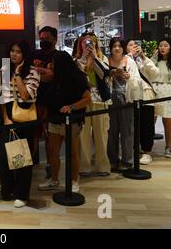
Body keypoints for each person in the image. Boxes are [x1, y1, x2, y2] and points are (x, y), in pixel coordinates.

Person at [38, 51, 91, 193]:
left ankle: (74, 181)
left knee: (73, 152)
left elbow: (87, 99)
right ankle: (54, 180)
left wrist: (72, 107)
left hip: (72, 121)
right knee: (52, 152)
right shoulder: (56, 78)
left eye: (54, 62)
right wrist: (45, 117)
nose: (52, 65)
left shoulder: (78, 78)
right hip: (54, 120)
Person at [0, 40, 40, 208]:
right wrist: (6, 118)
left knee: (22, 159)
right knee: (3, 156)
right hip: (8, 117)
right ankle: (7, 190)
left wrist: (18, 75)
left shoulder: (33, 72)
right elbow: (1, 97)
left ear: (25, 54)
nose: (14, 54)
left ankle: (22, 194)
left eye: (18, 51)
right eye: (12, 50)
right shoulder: (3, 70)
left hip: (25, 118)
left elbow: (26, 95)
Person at [75, 33, 111, 176]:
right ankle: (84, 167)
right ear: (80, 45)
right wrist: (84, 57)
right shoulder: (77, 60)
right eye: (84, 43)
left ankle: (102, 166)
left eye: (91, 42)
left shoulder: (102, 59)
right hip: (83, 100)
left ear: (96, 44)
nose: (88, 45)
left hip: (99, 100)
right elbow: (78, 74)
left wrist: (94, 58)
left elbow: (103, 74)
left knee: (101, 134)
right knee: (83, 135)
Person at [107, 38, 142, 172]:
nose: (117, 48)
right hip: (110, 99)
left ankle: (127, 161)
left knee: (127, 130)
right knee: (111, 131)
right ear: (111, 48)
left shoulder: (129, 61)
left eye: (119, 46)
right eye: (114, 46)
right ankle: (112, 160)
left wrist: (128, 77)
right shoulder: (106, 60)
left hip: (126, 98)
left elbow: (137, 80)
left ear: (123, 48)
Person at [126, 39, 159, 165]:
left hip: (146, 94)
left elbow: (155, 73)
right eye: (130, 45)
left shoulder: (143, 60)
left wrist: (143, 57)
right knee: (132, 124)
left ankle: (146, 151)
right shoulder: (125, 59)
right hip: (131, 96)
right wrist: (129, 57)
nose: (134, 47)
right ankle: (134, 150)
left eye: (136, 44)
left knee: (147, 124)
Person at [33, 26, 59, 178]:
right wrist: (45, 74)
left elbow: (54, 76)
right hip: (34, 103)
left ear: (54, 39)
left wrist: (40, 74)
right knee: (33, 136)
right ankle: (27, 169)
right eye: (41, 39)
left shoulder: (59, 56)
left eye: (47, 39)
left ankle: (51, 170)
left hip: (51, 104)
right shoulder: (35, 54)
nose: (43, 42)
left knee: (51, 140)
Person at [151, 38, 171, 158]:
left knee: (168, 121)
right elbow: (147, 72)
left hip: (168, 92)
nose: (162, 48)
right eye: (160, 45)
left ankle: (168, 147)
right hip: (154, 92)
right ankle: (146, 147)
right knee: (150, 121)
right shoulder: (154, 61)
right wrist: (153, 58)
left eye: (166, 45)